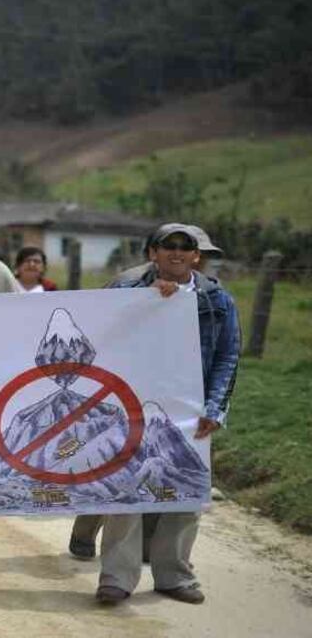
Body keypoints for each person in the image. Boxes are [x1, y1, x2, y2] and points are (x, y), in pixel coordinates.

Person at [95, 224, 240, 606]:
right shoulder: (126, 288)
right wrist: (145, 302)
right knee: (125, 490)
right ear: (153, 253)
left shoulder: (218, 300)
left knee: (186, 493)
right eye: (168, 245)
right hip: (131, 402)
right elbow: (100, 334)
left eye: (185, 247)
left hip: (190, 408)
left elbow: (227, 355)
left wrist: (216, 407)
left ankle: (174, 575)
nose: (177, 252)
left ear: (196, 256)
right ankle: (116, 577)